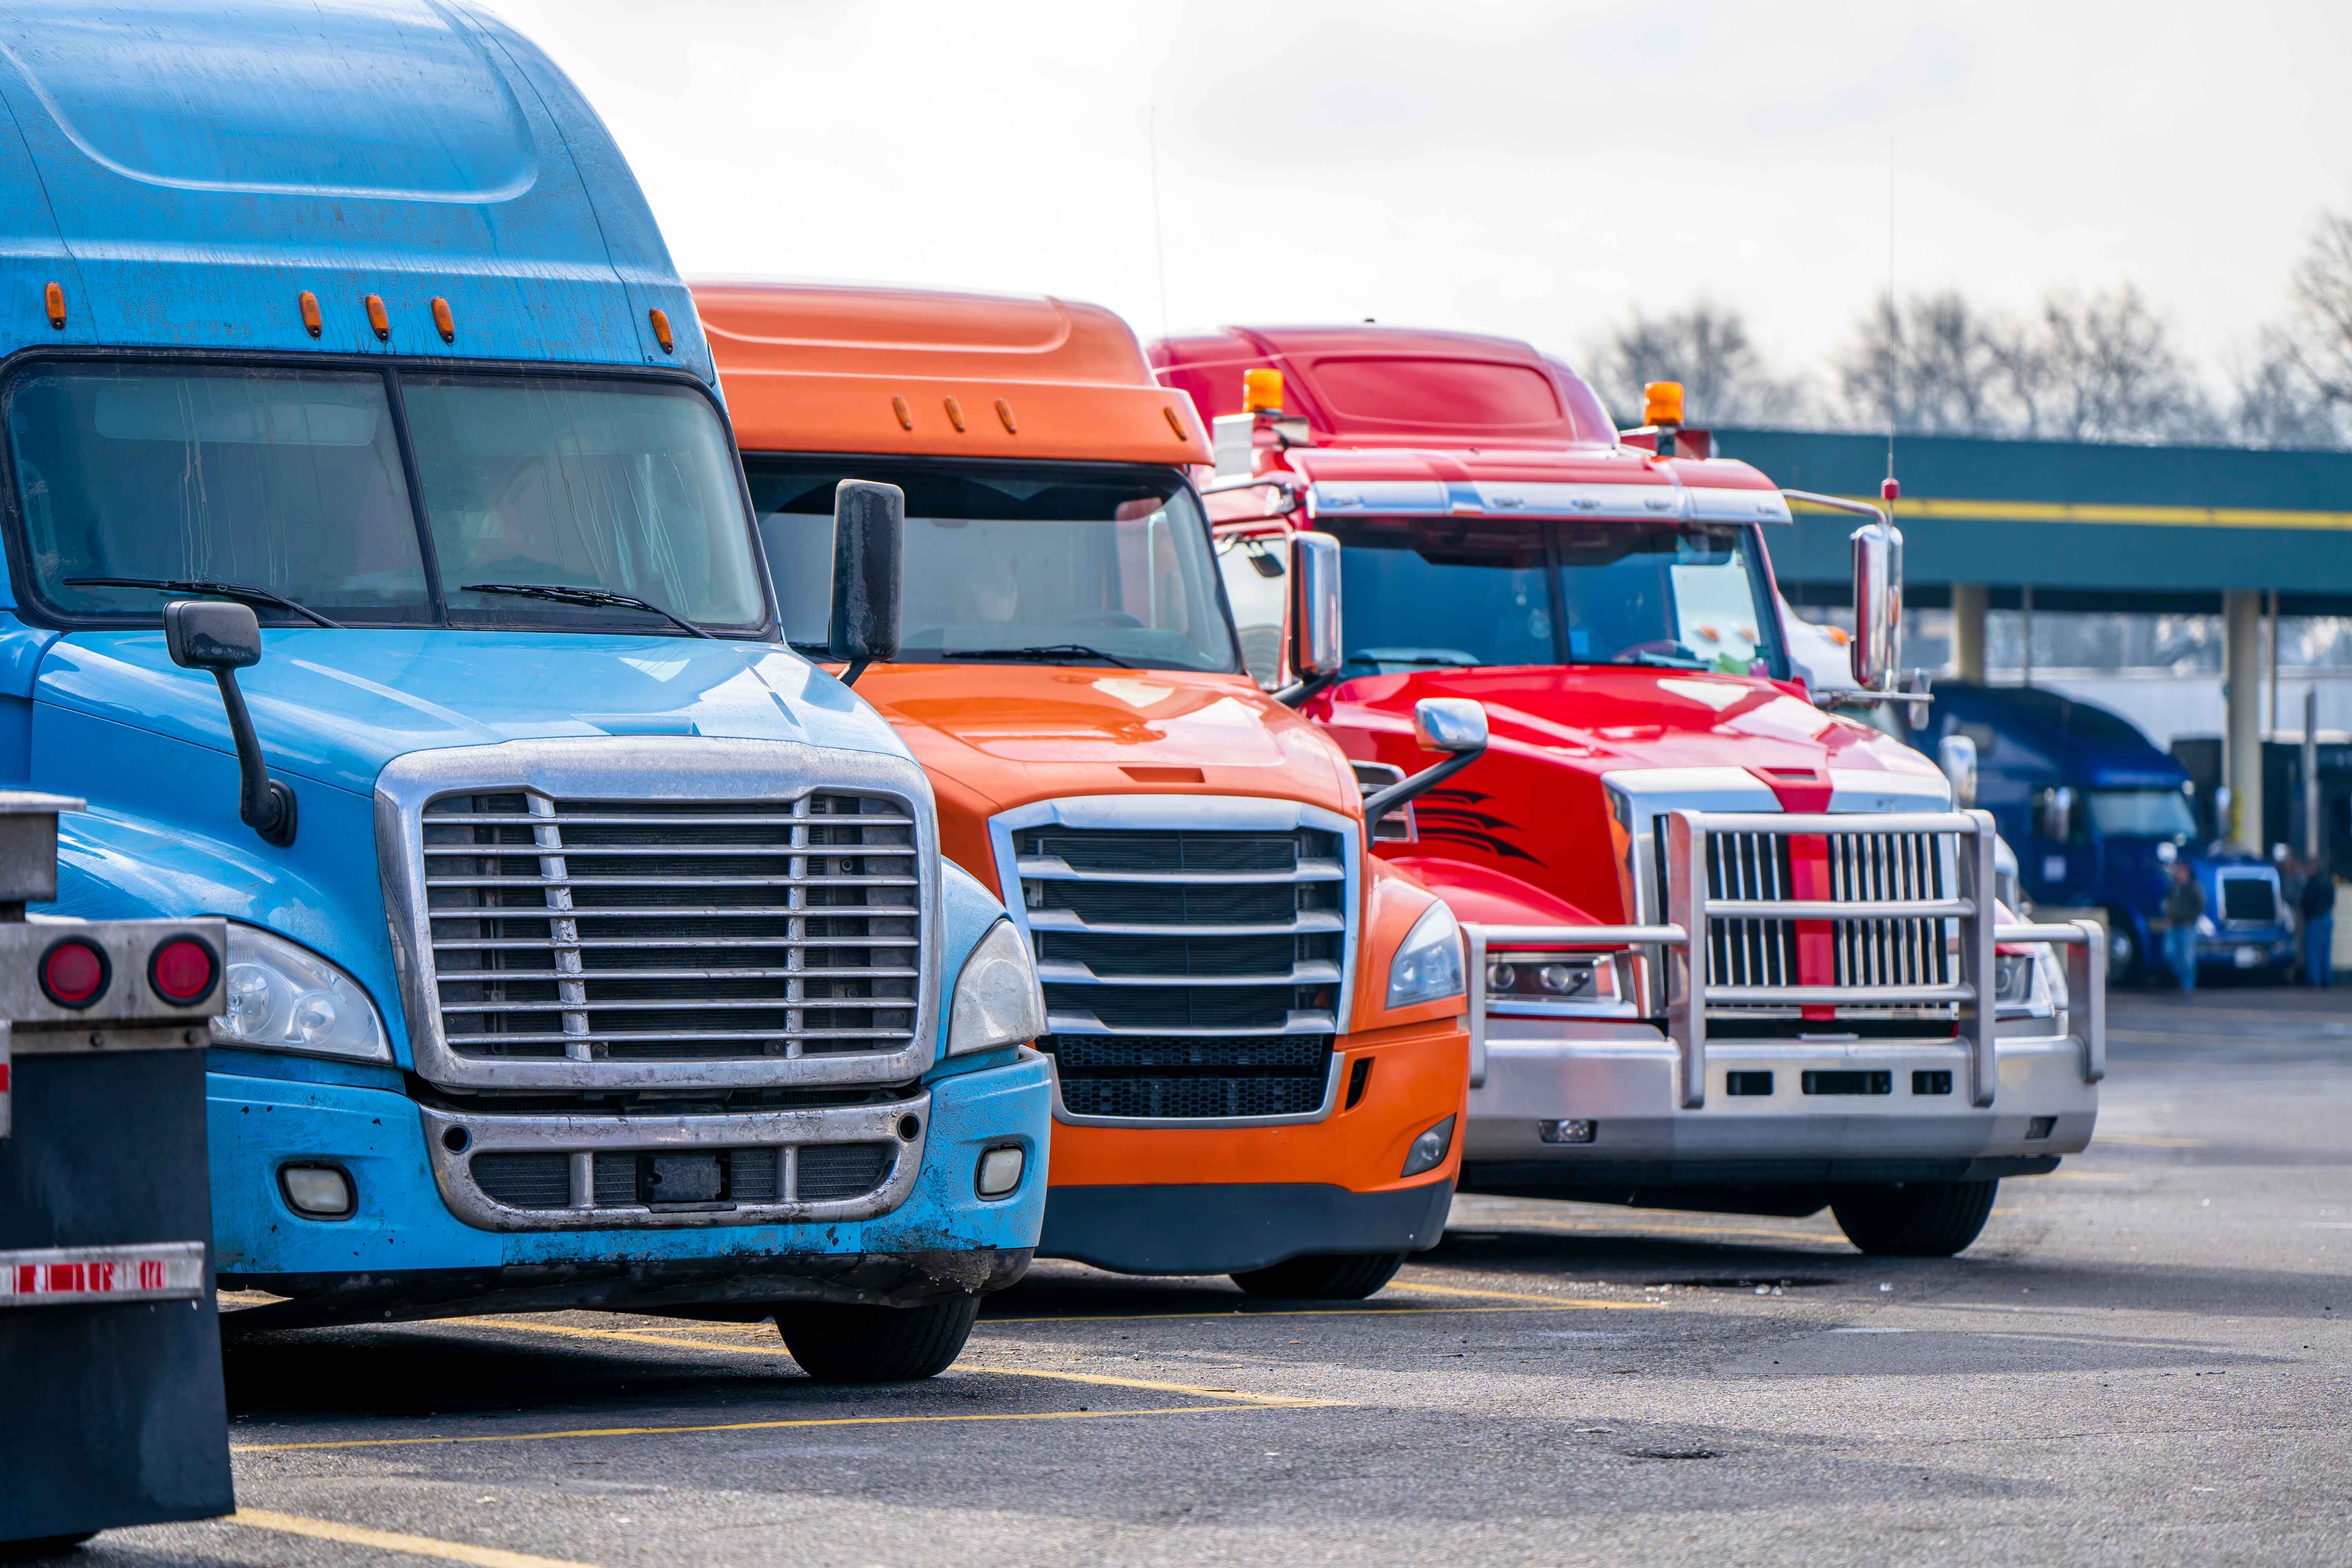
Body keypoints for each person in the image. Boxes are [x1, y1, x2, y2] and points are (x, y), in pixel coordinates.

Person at [2160, 860, 2204, 993]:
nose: (2177, 873)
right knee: (2169, 953)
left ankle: (2188, 986)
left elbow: (2200, 906)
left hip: (2187, 926)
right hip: (2173, 925)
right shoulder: (2173, 887)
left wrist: (2192, 919)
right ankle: (2181, 978)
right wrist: (2167, 918)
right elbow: (2168, 903)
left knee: (2187, 957)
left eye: (2180, 870)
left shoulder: (2194, 887)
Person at [2299, 857, 2336, 989]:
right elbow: (2332, 899)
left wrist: (2307, 913)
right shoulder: (2327, 881)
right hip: (2327, 917)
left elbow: (2306, 901)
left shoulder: (2312, 883)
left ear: (2312, 868)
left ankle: (2314, 980)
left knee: (2313, 951)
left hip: (2315, 919)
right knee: (2325, 950)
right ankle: (2326, 979)